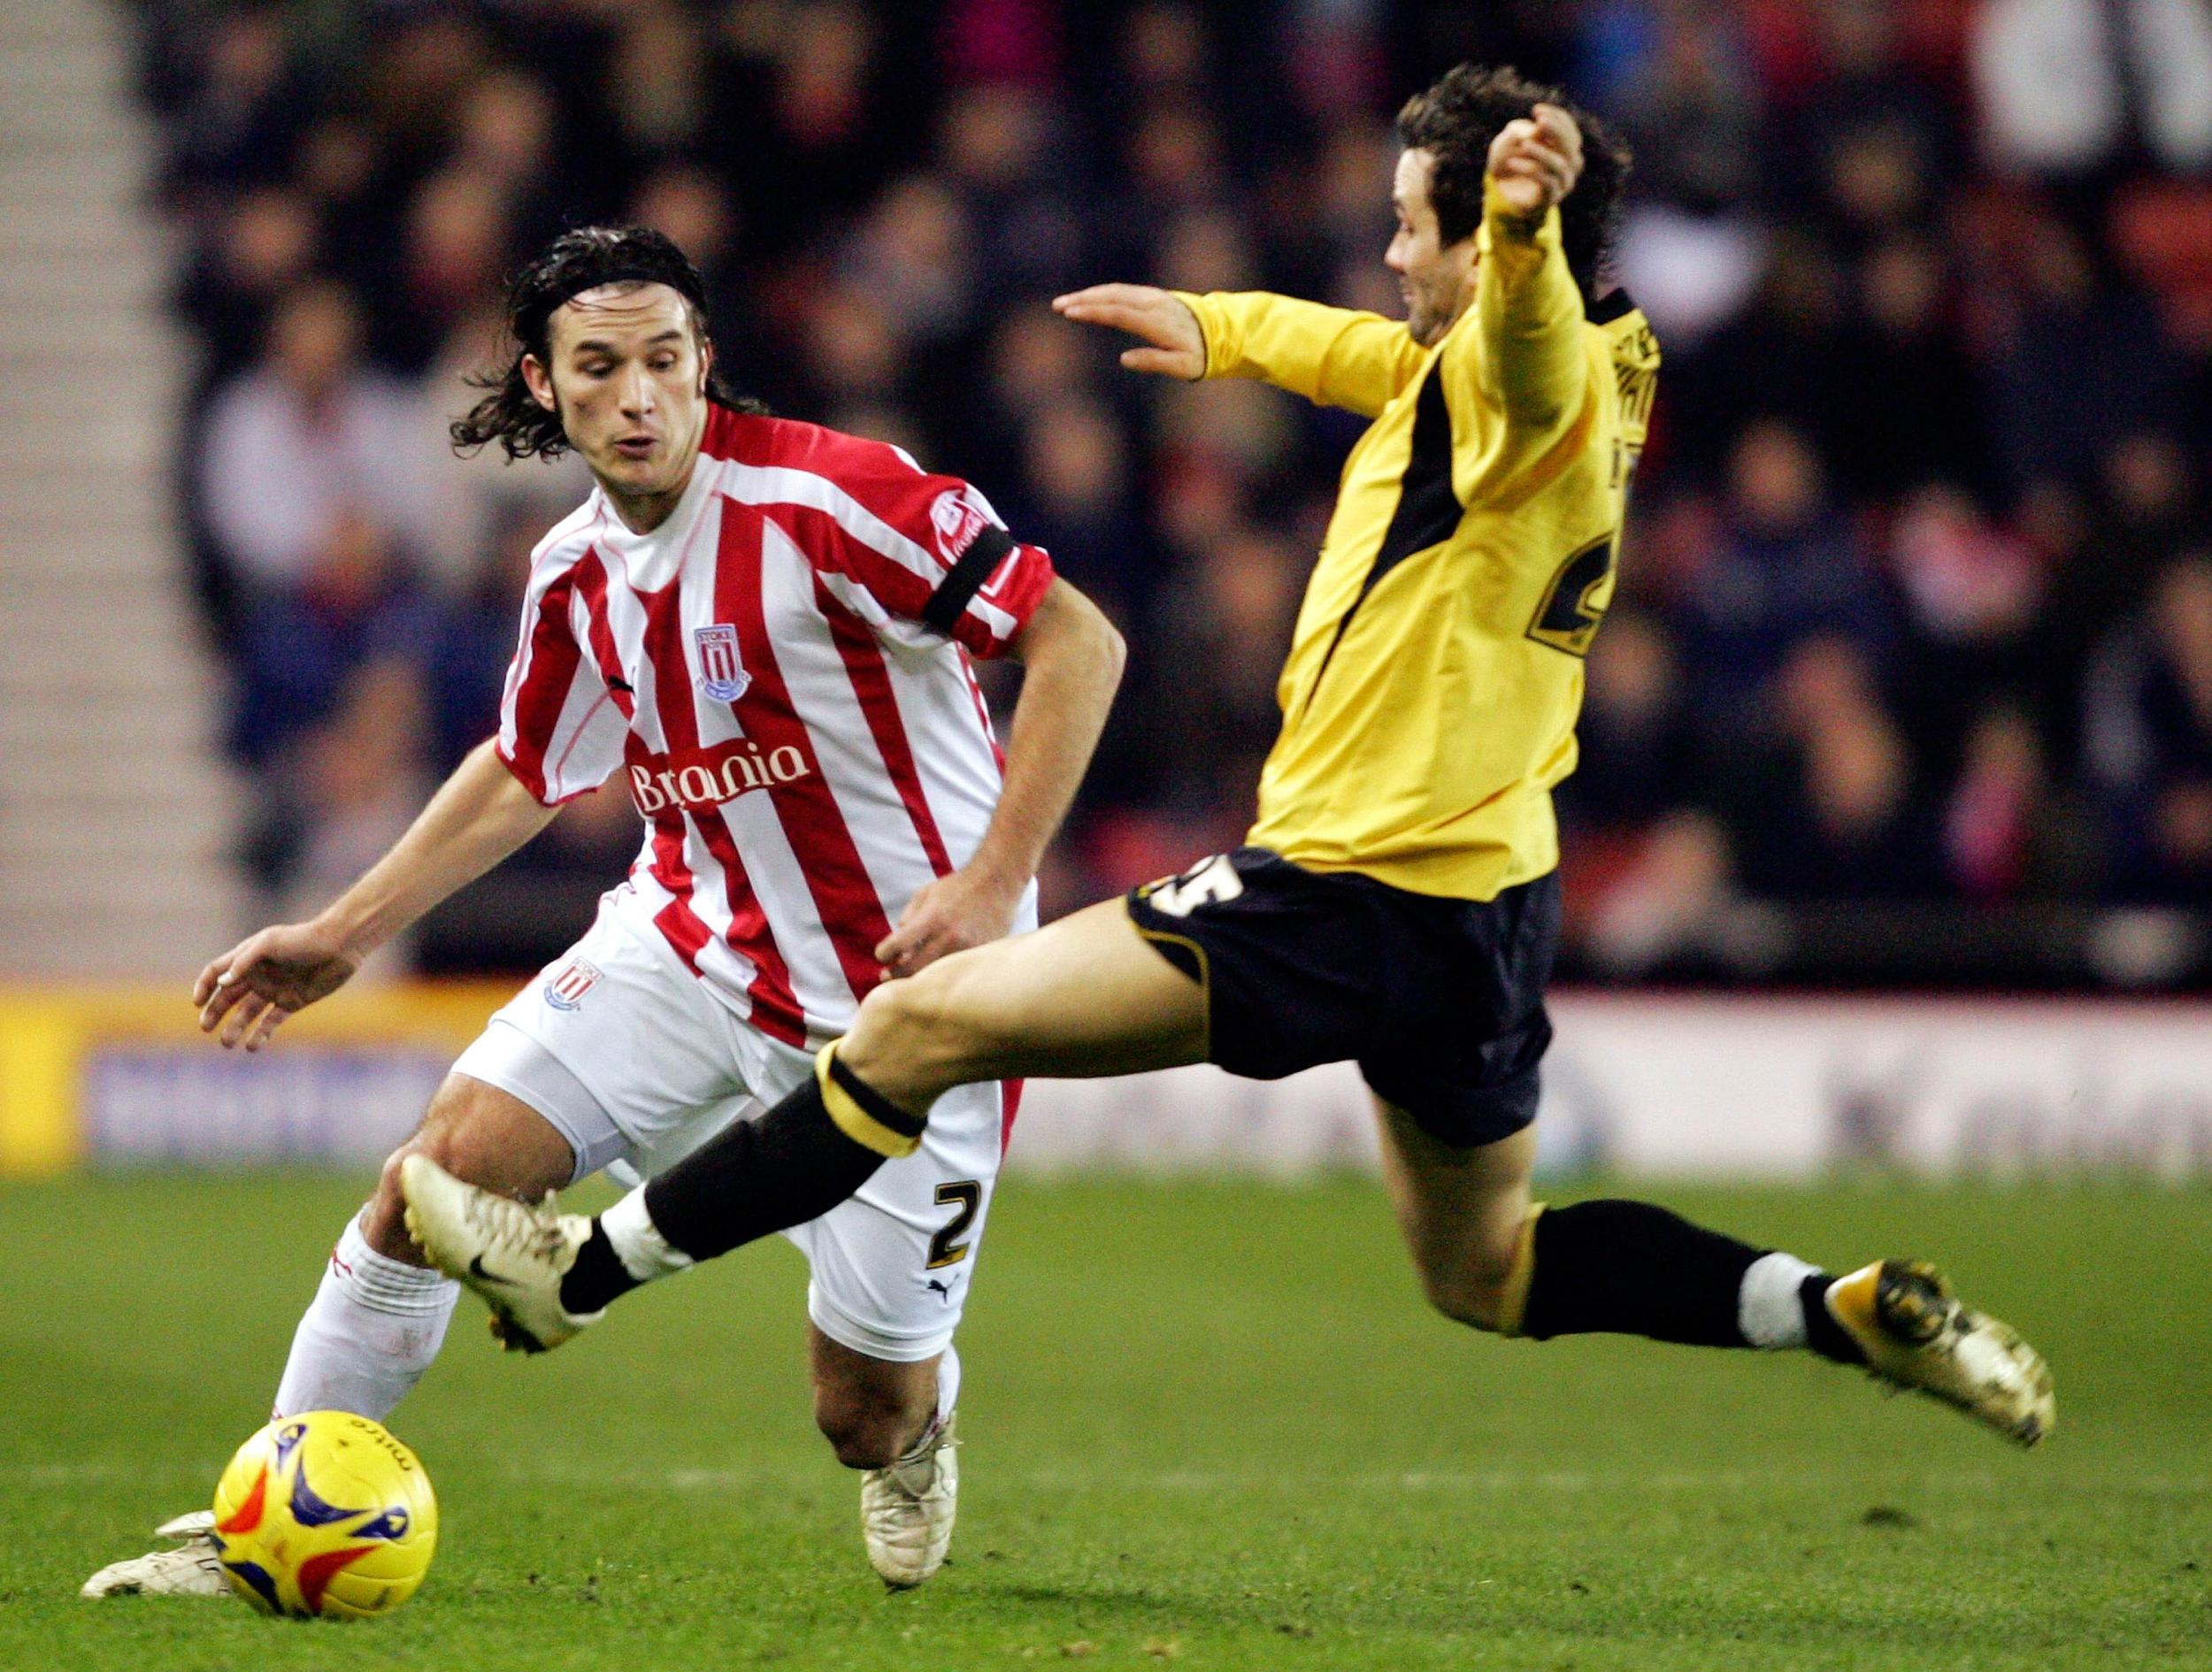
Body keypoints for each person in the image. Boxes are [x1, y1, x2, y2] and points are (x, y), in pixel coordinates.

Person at [407, 67, 2053, 1484]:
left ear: (1494, 248)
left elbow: (1517, 351)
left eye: (1420, 226)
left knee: (909, 1026)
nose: (1395, 250)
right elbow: (1388, 355)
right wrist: (1228, 330)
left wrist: (1528, 235)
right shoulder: (1567, 367)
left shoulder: (1527, 374)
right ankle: (1825, 1306)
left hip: (1339, 887)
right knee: (1488, 1268)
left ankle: (582, 1276)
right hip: (1490, 901)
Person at [84, 226, 1125, 1598]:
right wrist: (342, 933)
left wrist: (994, 882)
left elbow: (1080, 641)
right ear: (546, 383)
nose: (637, 396)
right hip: (684, 943)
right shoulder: (574, 567)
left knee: (856, 1409)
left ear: (706, 367)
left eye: (662, 361)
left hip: (908, 1005)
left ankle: (916, 1429)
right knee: (431, 1184)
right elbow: (525, 765)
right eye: (599, 367)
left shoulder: (837, 500)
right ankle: (260, 1526)